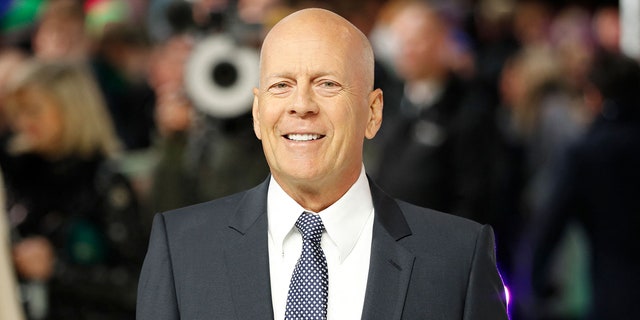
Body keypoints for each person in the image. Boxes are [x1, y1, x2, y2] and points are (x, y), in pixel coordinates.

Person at [137, 8, 508, 319]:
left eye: (327, 84)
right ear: (256, 112)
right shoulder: (181, 249)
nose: (301, 104)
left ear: (374, 112)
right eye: (281, 85)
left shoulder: (459, 258)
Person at [0, 60, 145, 319]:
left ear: (70, 110)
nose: (23, 123)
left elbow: (139, 285)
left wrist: (56, 269)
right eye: (17, 112)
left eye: (34, 111)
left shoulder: (105, 181)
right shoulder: (16, 174)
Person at [526, 51, 640, 320]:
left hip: (613, 293)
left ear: (595, 95)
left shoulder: (587, 153)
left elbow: (551, 223)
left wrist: (536, 282)